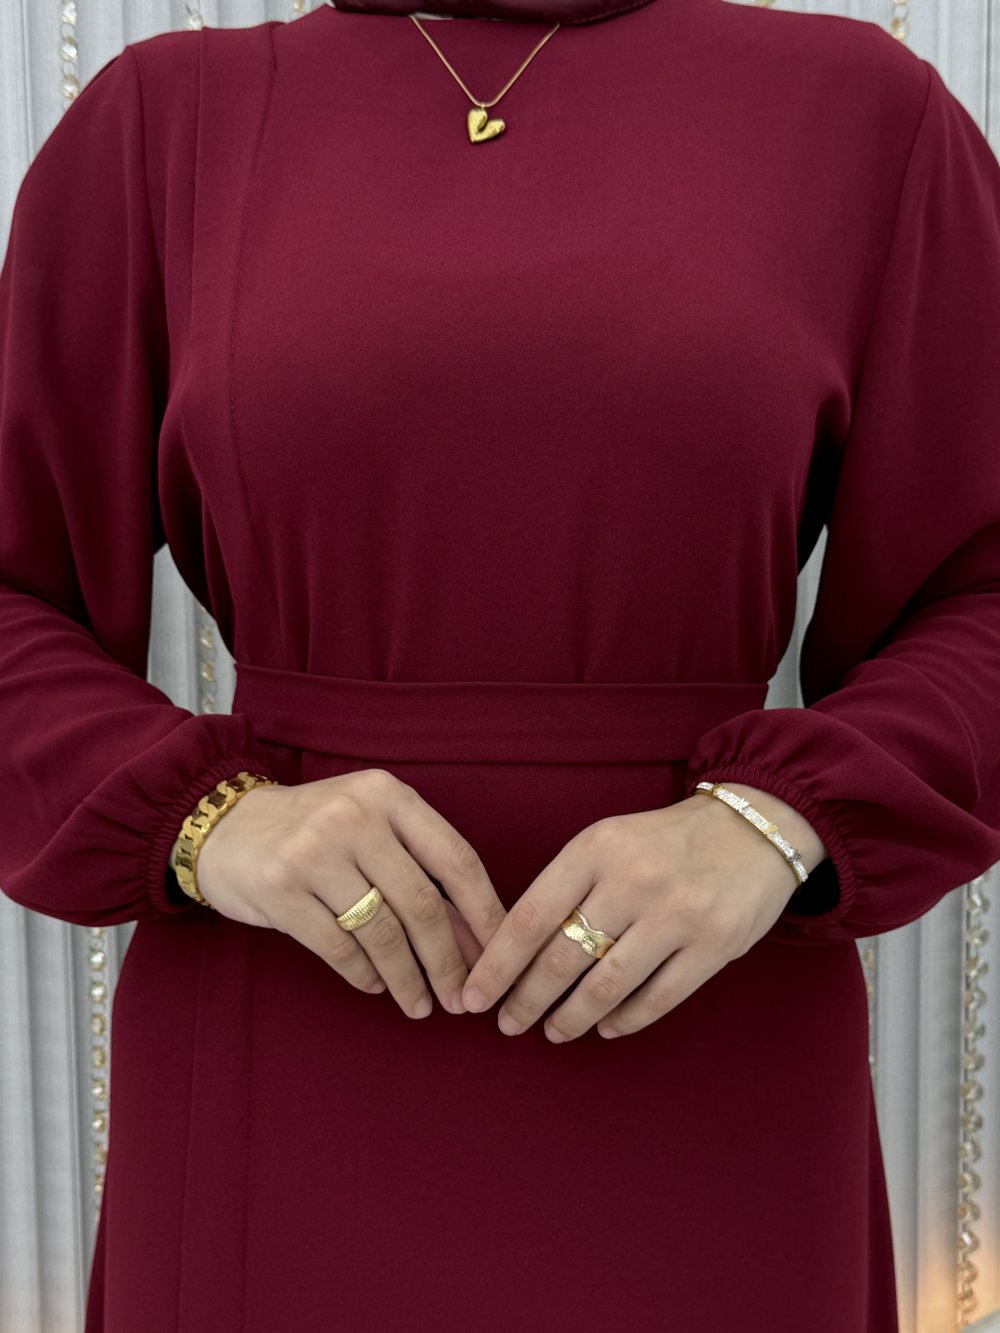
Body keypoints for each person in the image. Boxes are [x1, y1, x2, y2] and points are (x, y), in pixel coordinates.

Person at [1, 0, 998, 1327]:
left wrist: (778, 823)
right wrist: (209, 819)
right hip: (281, 1039)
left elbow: (981, 589)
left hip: (712, 1036)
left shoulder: (863, 115)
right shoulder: (159, 125)